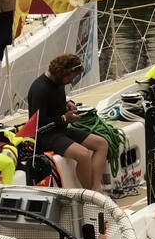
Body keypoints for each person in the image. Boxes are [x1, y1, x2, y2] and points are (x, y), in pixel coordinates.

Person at [27, 53, 110, 191]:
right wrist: (65, 118)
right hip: (46, 136)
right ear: (63, 73)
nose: (71, 82)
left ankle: (96, 189)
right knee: (83, 155)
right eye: (71, 78)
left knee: (102, 144)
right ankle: (90, 194)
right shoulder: (39, 89)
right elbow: (38, 125)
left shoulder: (58, 82)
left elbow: (54, 103)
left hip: (61, 130)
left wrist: (68, 103)